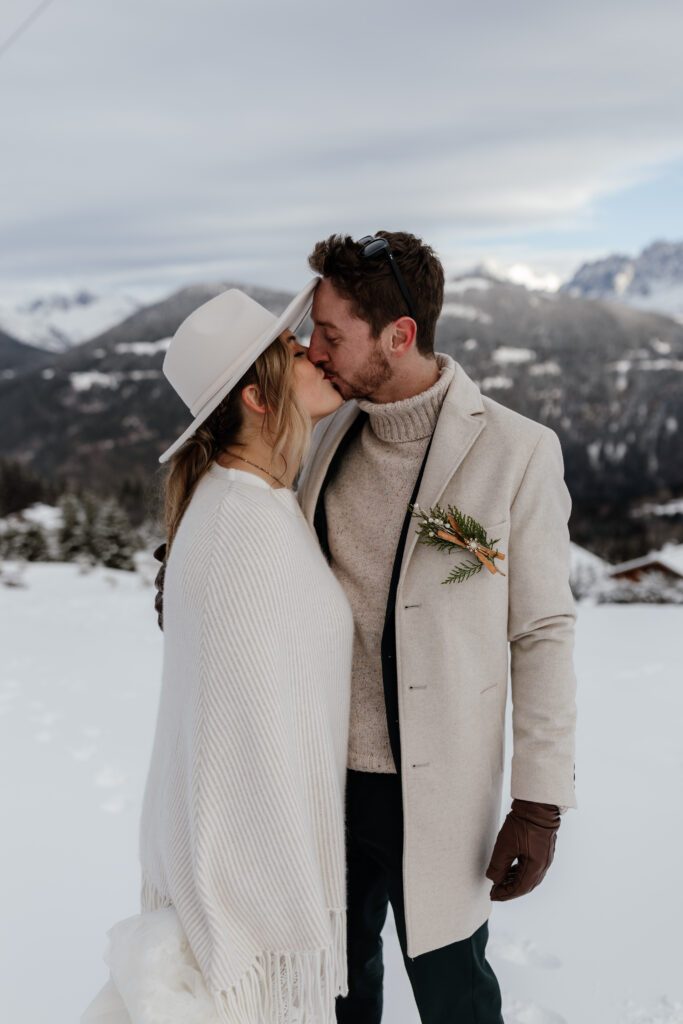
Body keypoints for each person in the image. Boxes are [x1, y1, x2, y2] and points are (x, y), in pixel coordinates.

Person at [154, 231, 579, 1024]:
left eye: (331, 336)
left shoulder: (516, 451)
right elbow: (254, 511)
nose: (315, 354)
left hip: (438, 789)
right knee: (336, 992)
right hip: (318, 785)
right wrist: (189, 568)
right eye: (311, 334)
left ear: (400, 335)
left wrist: (540, 800)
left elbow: (543, 631)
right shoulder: (323, 436)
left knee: (457, 994)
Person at [81, 280, 354, 1024]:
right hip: (247, 912)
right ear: (259, 399)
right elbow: (241, 740)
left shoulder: (259, 503)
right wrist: (273, 898)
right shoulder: (241, 523)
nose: (319, 358)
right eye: (297, 352)